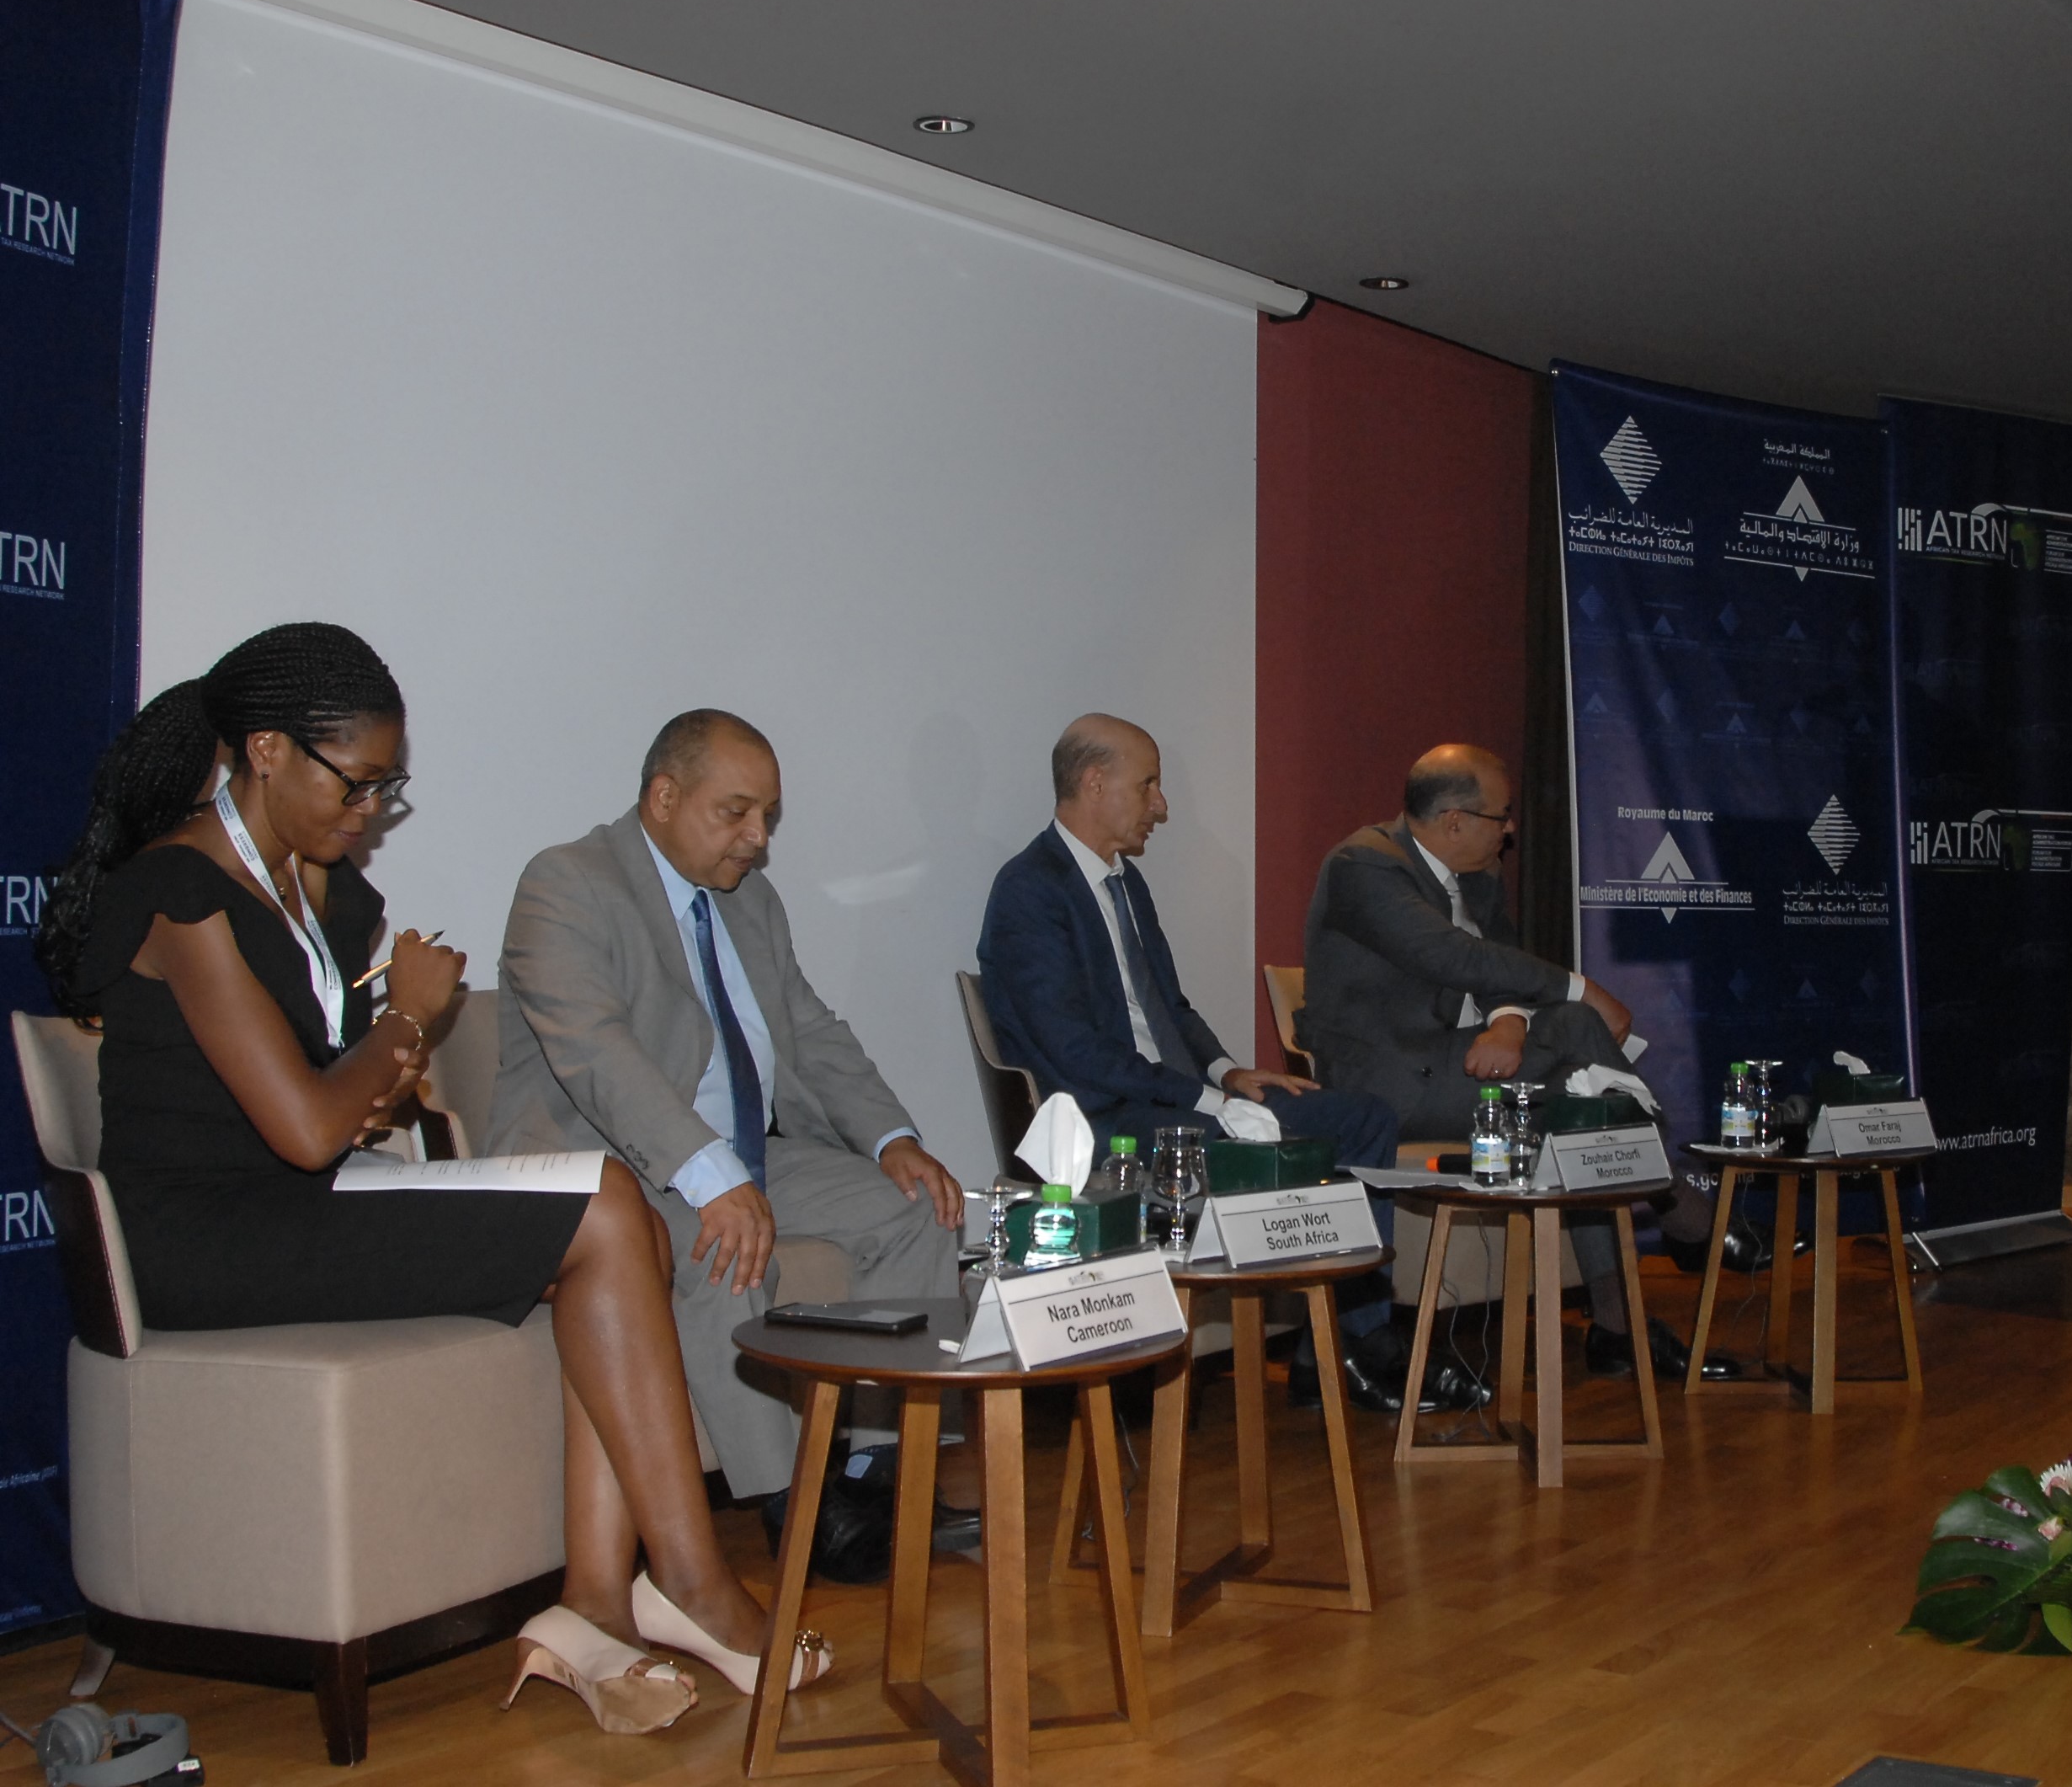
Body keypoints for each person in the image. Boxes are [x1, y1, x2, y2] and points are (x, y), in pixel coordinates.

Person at [35, 624, 823, 1736]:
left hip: (307, 1197)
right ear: (266, 751)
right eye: (355, 783)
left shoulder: (320, 891)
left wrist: (385, 1063)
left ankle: (596, 1604)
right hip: (206, 1236)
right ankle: (690, 1581)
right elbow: (307, 1128)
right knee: (606, 1208)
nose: (370, 811)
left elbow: (344, 1100)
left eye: (386, 787)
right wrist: (408, 1017)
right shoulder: (181, 894)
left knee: (618, 1216)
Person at [490, 709, 972, 1575]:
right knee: (727, 1246)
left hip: (742, 1151)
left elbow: (810, 1031)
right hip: (611, 1167)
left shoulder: (751, 903)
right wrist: (712, 1176)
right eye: (736, 813)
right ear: (664, 797)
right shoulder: (567, 882)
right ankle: (798, 1506)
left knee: (918, 1209)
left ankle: (877, 1472)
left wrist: (892, 1138)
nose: (757, 839)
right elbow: (597, 1052)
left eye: (768, 817)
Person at [976, 715, 1486, 1413]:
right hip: (1104, 1119)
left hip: (1177, 1100)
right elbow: (1076, 1054)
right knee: (1253, 1139)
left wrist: (1225, 1073)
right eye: (1148, 785)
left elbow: (1171, 1006)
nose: (1161, 806)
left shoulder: (1126, 884)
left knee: (1364, 1118)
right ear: (1094, 784)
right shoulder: (1029, 891)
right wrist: (1206, 1100)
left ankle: (1345, 1343)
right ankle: (1349, 1353)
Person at [1298, 744, 1734, 1382]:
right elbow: (1453, 956)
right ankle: (1668, 1211)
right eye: (1500, 816)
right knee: (1580, 1056)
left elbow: (1499, 964)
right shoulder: (1364, 865)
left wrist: (1508, 1021)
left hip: (1464, 1065)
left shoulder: (1477, 874)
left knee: (1580, 1098)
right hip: (1393, 1085)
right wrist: (1581, 987)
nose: (1509, 831)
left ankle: (1625, 1314)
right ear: (1454, 821)